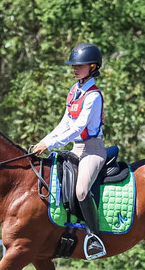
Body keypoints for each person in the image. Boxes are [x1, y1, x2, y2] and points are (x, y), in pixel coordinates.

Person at [32, 42, 107, 259]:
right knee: (55, 181)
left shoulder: (93, 96)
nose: (74, 68)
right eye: (73, 65)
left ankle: (95, 238)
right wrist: (44, 142)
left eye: (79, 65)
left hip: (92, 150)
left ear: (93, 67)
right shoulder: (75, 91)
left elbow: (78, 127)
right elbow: (65, 123)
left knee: (82, 190)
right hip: (76, 148)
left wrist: (53, 144)